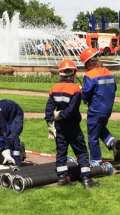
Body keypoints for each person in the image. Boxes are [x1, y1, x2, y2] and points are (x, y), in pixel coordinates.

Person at [44, 59, 99, 189]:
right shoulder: (75, 89)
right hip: (73, 126)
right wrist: (62, 115)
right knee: (81, 152)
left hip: (59, 127)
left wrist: (51, 123)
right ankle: (86, 179)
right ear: (74, 73)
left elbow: (48, 110)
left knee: (61, 152)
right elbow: (72, 110)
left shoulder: (54, 88)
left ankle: (62, 178)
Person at [80, 48, 120, 165]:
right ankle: (112, 142)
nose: (85, 67)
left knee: (93, 136)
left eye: (85, 64)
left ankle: (96, 162)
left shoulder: (90, 75)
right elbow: (114, 88)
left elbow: (85, 94)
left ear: (89, 62)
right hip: (107, 109)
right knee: (100, 129)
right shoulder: (109, 73)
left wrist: (81, 91)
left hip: (95, 110)